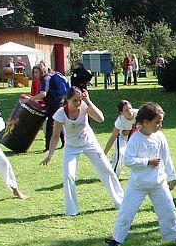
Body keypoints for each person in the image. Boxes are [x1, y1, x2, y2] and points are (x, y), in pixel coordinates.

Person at [105, 103, 176, 246]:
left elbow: (166, 157)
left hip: (158, 183)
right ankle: (116, 240)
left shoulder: (160, 137)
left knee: (169, 210)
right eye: (157, 122)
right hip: (138, 184)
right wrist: (147, 161)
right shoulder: (135, 139)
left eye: (160, 122)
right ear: (145, 122)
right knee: (126, 212)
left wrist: (172, 176)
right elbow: (128, 160)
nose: (160, 126)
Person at [41, 87, 124, 216]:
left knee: (107, 170)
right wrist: (50, 155)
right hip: (71, 147)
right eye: (75, 100)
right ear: (67, 100)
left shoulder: (85, 106)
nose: (78, 103)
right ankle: (71, 211)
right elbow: (55, 136)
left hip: (89, 143)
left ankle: (120, 202)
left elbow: (100, 118)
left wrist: (88, 101)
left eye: (79, 100)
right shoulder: (60, 114)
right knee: (68, 176)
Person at [26, 66, 66, 151]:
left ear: (42, 72)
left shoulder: (45, 79)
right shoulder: (45, 79)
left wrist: (30, 99)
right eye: (34, 72)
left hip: (56, 104)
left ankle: (48, 147)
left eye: (37, 72)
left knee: (50, 125)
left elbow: (43, 94)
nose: (35, 74)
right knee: (57, 123)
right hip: (54, 103)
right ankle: (64, 143)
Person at [104, 99, 136, 177]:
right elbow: (113, 137)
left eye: (130, 108)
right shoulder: (120, 121)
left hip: (134, 137)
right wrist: (104, 153)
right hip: (121, 137)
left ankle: (136, 175)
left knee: (135, 155)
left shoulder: (139, 114)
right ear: (121, 113)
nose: (129, 112)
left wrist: (129, 131)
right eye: (126, 110)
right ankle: (114, 176)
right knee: (120, 153)